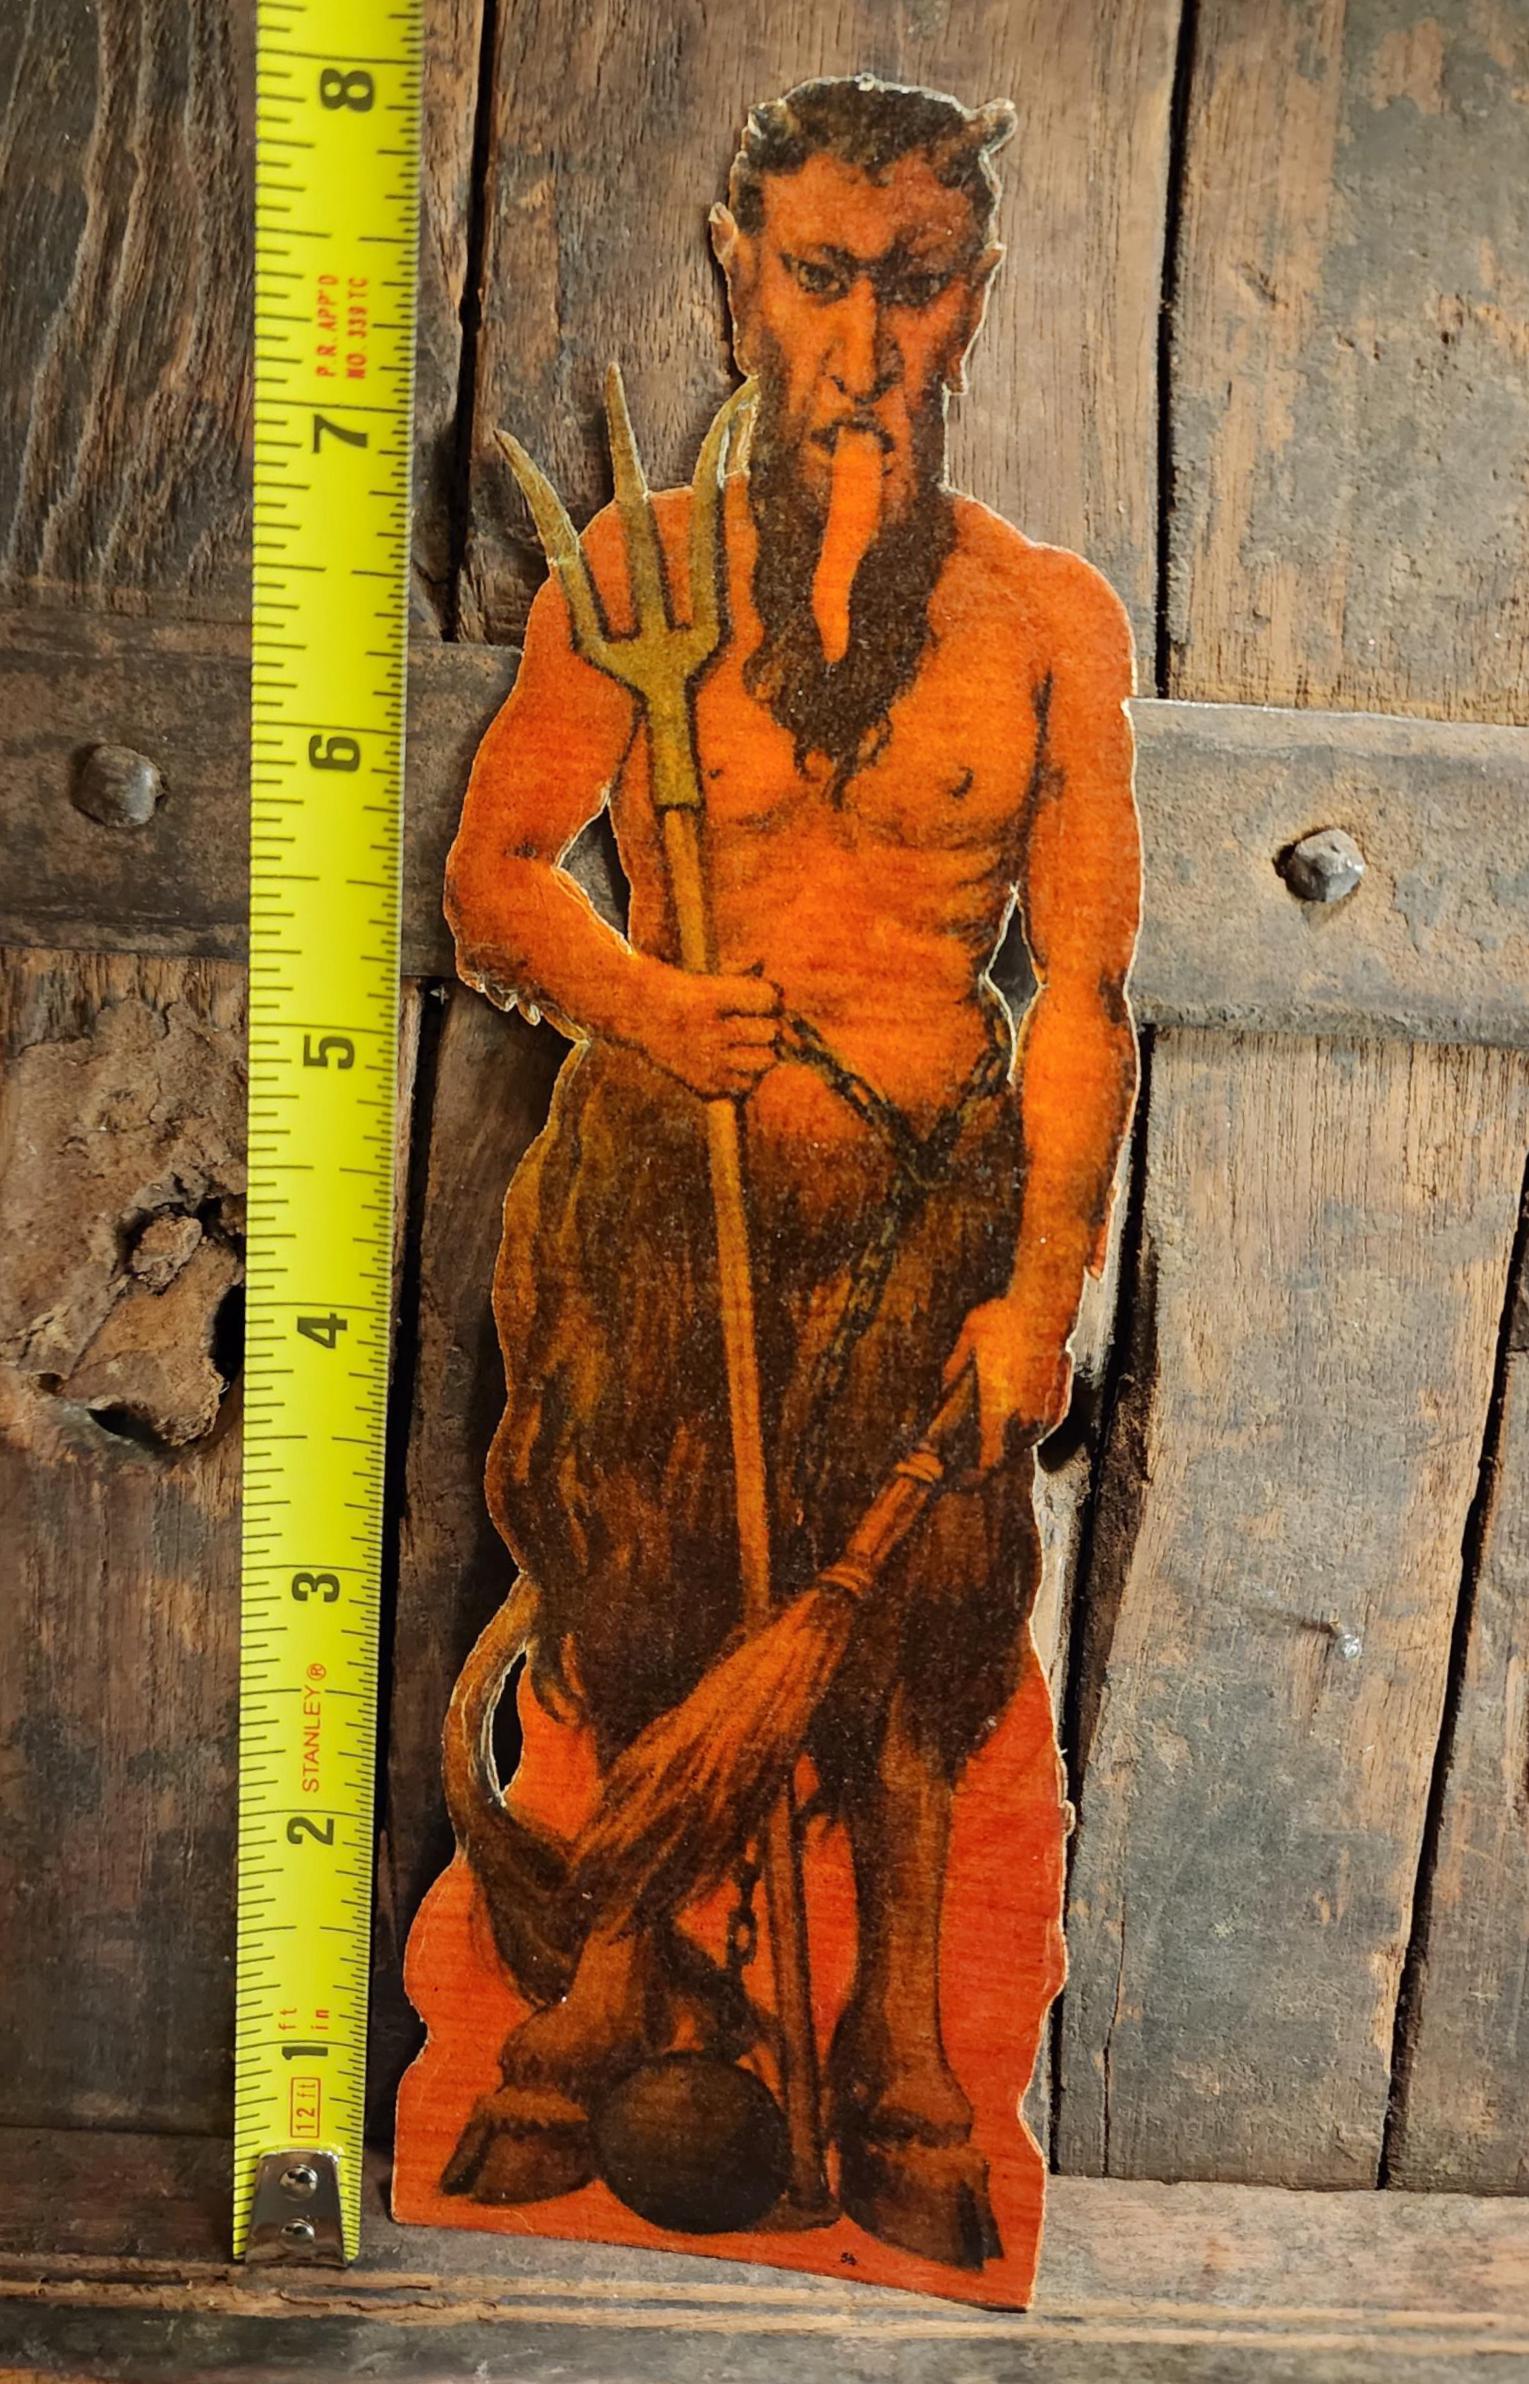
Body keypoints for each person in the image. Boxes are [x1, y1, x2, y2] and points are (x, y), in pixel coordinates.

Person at [439, 73, 1141, 2269]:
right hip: (662, 1196)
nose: (862, 339)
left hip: (925, 1210)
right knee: (632, 1607)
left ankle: (906, 2060)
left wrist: (1040, 1292)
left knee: (915, 1640)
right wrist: (644, 1002)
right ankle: (604, 1997)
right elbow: (495, 880)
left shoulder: (1046, 620)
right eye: (820, 278)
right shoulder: (635, 582)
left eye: (910, 287)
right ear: (738, 278)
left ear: (973, 296)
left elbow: (1086, 991)